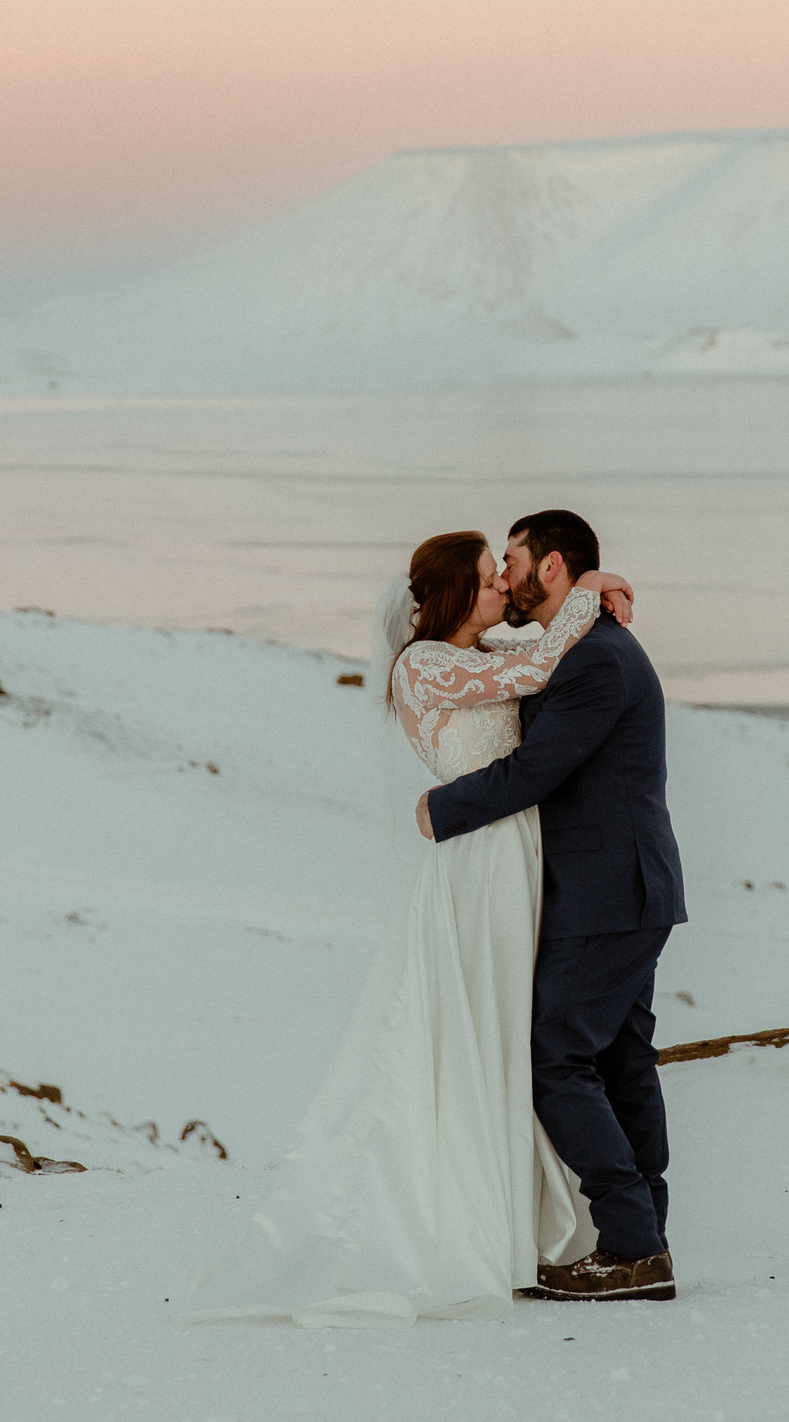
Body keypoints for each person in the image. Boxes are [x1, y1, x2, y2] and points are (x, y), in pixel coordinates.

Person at [173, 527, 635, 1325]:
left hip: (513, 853)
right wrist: (590, 588)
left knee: (508, 1028)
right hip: (483, 862)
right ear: (457, 592)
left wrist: (588, 592)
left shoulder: (483, 646)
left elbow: (531, 647)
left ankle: (514, 1217)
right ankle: (473, 1225)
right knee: (486, 1026)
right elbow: (535, 666)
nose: (503, 585)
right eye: (491, 577)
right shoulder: (424, 664)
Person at [418, 509, 686, 1304]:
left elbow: (538, 769)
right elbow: (506, 666)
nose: (503, 576)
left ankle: (633, 1242)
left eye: (513, 561)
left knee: (553, 1057)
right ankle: (647, 1241)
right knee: (620, 1060)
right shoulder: (580, 643)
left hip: (610, 892)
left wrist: (443, 808)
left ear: (552, 565)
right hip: (617, 891)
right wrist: (594, 591)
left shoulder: (598, 660)